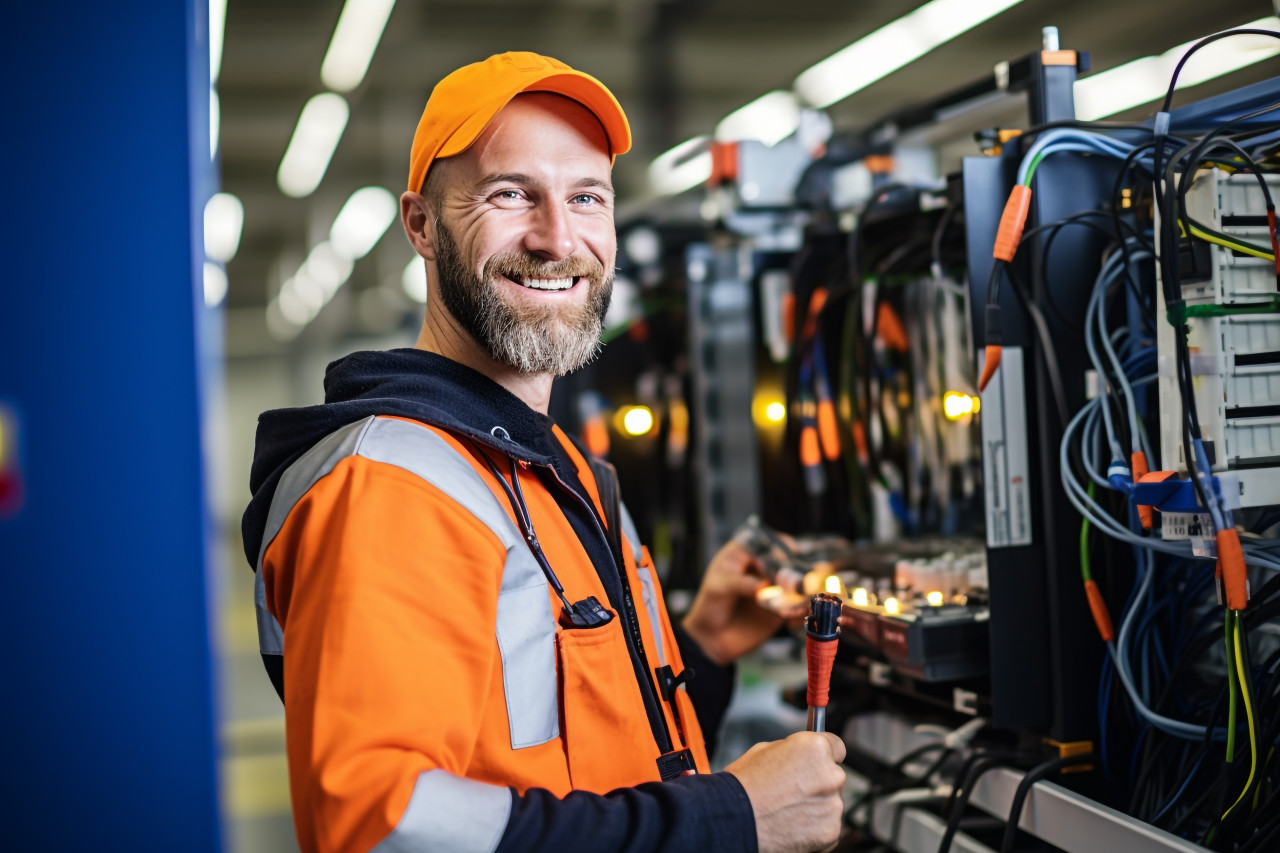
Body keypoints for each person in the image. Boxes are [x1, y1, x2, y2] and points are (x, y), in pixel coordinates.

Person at [242, 51, 846, 853]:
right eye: (511, 193)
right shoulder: (388, 486)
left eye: (586, 196)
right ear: (420, 224)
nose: (558, 237)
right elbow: (383, 829)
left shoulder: (548, 462)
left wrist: (697, 651)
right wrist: (730, 817)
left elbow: (577, 753)